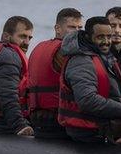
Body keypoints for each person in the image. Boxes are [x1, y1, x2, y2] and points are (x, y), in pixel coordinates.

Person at [58, 16, 121, 143]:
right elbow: (87, 100)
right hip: (86, 134)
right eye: (100, 37)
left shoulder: (103, 57)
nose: (106, 41)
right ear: (88, 37)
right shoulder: (81, 61)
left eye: (109, 36)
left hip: (101, 129)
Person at [26, 8, 83, 139]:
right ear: (58, 28)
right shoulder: (66, 52)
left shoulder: (38, 48)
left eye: (80, 28)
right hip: (57, 118)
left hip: (37, 117)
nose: (77, 32)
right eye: (72, 27)